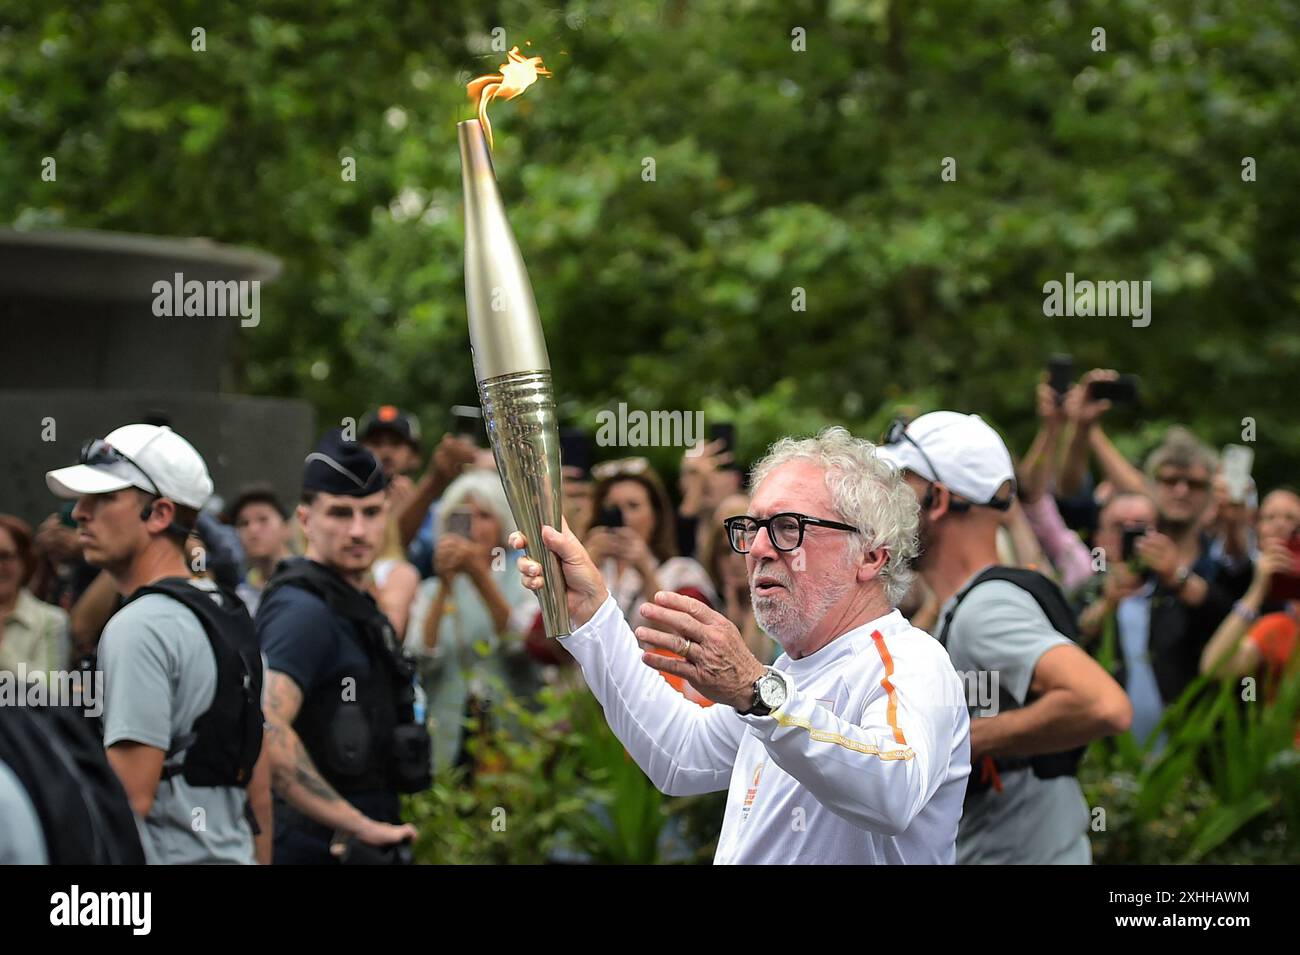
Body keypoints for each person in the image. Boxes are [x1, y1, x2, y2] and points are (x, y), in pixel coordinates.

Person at [513, 427, 970, 864]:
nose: (757, 549)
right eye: (752, 527)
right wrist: (593, 614)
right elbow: (677, 755)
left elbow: (893, 790)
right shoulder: (789, 675)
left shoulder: (913, 661)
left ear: (870, 554)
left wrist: (757, 692)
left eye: (788, 527)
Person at [879, 411, 1132, 864]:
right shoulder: (960, 607)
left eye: (901, 484)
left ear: (938, 499)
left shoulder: (985, 610)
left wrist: (958, 742)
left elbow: (1103, 705)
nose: (884, 506)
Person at [45, 423, 271, 864]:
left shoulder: (139, 626)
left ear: (160, 514)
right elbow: (258, 783)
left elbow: (129, 800)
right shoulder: (227, 611)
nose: (79, 513)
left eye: (104, 498)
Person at [256, 431, 426, 864]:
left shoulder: (353, 601)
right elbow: (266, 728)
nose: (358, 530)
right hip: (317, 844)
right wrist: (357, 824)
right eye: (339, 513)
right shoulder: (303, 610)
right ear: (305, 519)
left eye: (371, 513)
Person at [405, 470, 537, 773]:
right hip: (448, 739)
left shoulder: (524, 581)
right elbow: (419, 657)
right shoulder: (430, 589)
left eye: (485, 516)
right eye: (463, 517)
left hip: (512, 738)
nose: (474, 527)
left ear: (502, 521)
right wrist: (444, 585)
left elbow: (520, 646)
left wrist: (479, 574)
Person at [587, 457, 718, 703]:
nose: (623, 516)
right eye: (613, 507)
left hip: (658, 700)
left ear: (655, 514)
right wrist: (585, 564)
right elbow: (546, 638)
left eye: (633, 506)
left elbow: (692, 638)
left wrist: (645, 570)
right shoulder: (592, 569)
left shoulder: (680, 571)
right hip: (591, 707)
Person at [1201, 488, 1300, 689]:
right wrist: (1258, 588)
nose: (1280, 525)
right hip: (1249, 695)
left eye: (1291, 519)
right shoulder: (1237, 573)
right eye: (1270, 517)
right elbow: (1214, 667)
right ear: (1256, 528)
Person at [700, 491, 770, 664]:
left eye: (743, 549)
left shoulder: (781, 608)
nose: (734, 560)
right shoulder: (705, 606)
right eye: (725, 551)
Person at [0, 514, 70, 677]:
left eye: (4, 557)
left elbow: (55, 691)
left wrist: (2, 651)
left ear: (25, 561)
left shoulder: (51, 620)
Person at [227, 485, 295, 617]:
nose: (253, 529)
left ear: (287, 528)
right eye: (244, 523)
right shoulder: (240, 599)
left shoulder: (309, 582)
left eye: (263, 519)